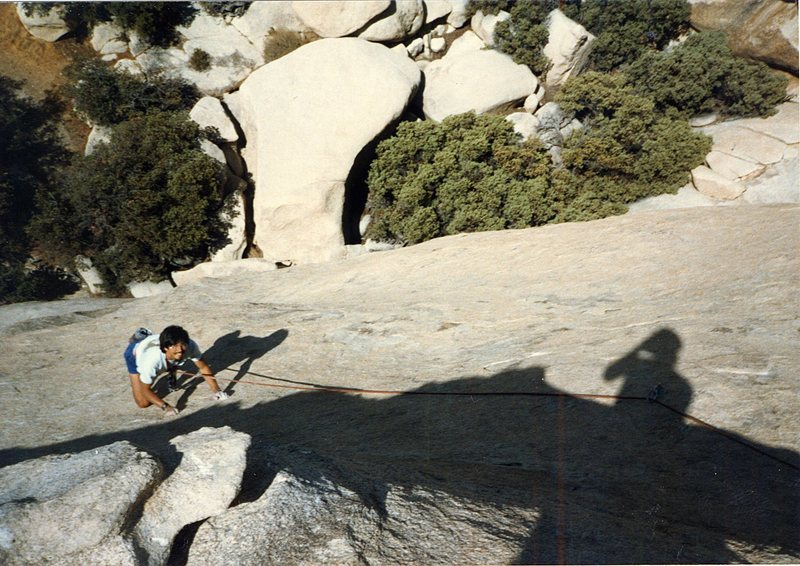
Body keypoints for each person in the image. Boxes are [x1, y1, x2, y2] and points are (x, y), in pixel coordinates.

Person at [124, 325, 228, 415]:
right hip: (135, 355)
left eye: (183, 344)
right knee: (143, 403)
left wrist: (217, 391)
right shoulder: (152, 362)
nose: (180, 349)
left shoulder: (190, 346)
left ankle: (150, 342)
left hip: (160, 351)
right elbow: (144, 390)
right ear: (165, 348)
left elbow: (203, 367)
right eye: (174, 346)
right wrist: (166, 407)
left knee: (175, 360)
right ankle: (138, 339)